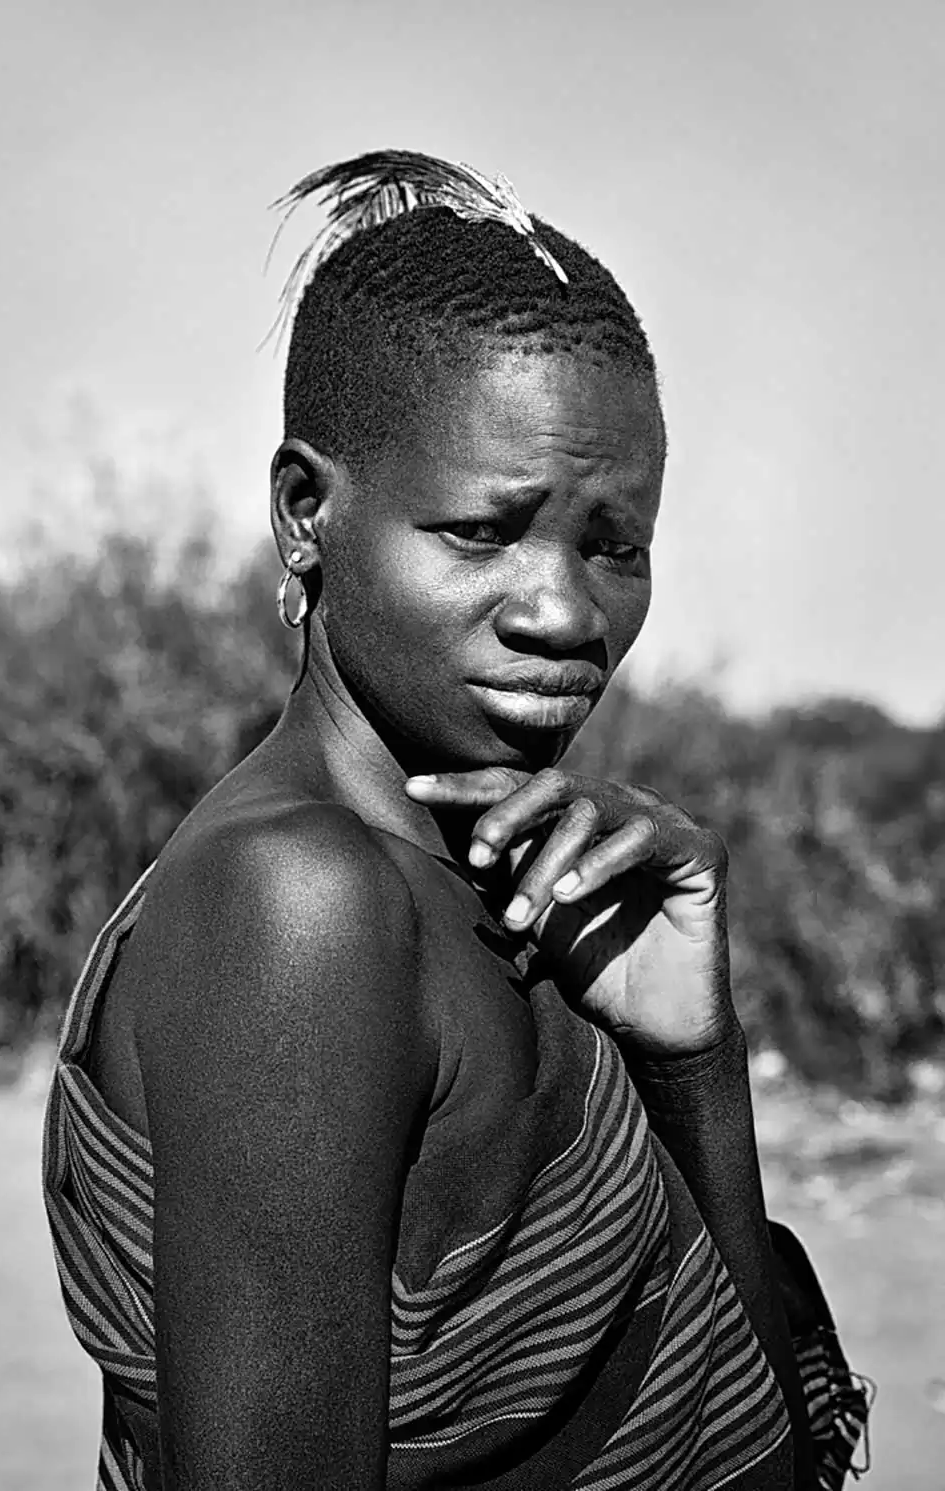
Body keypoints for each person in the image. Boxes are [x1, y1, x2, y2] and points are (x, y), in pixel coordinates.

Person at [42, 151, 869, 1491]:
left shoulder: (506, 882)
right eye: (486, 531)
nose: (567, 611)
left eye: (614, 544)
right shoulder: (302, 905)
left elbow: (751, 1426)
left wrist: (695, 1062)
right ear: (305, 512)